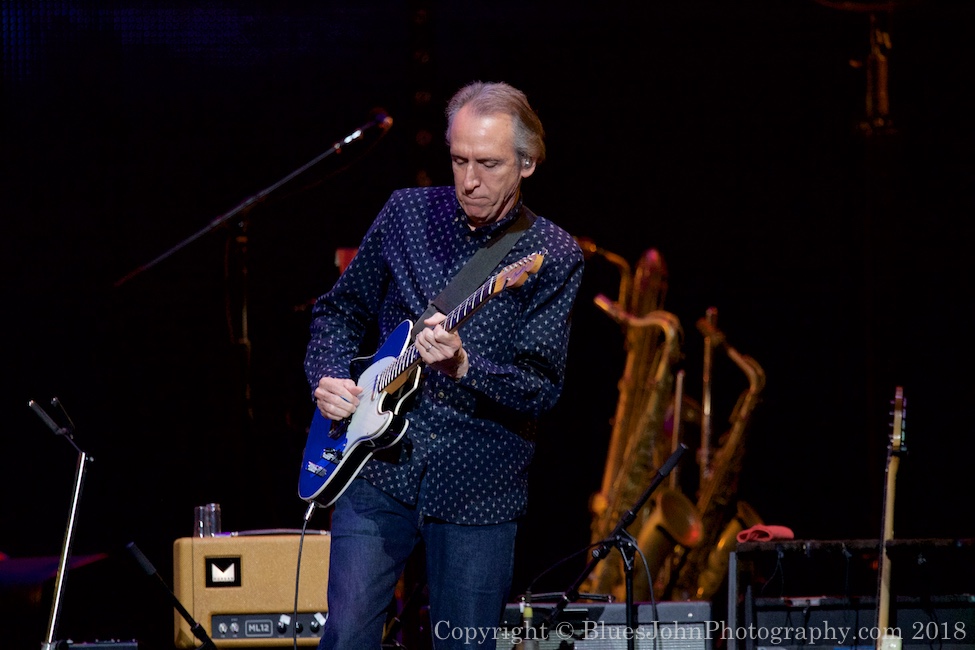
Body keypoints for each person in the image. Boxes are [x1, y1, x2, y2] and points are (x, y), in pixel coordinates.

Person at [304, 80, 585, 649]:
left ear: (527, 163)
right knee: (347, 638)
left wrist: (465, 367)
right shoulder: (405, 213)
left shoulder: (552, 255)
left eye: (488, 164)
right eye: (458, 161)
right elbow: (338, 311)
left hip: (477, 485)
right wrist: (327, 377)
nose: (470, 181)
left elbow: (541, 388)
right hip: (374, 465)